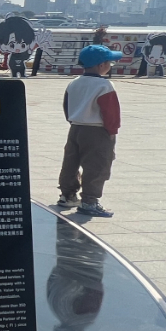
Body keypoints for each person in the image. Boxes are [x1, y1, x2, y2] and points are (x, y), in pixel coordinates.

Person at [57, 45, 123, 218]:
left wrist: (74, 120)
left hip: (76, 128)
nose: (110, 66)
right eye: (110, 63)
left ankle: (67, 195)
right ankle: (89, 201)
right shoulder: (104, 85)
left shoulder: (74, 83)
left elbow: (66, 106)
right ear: (101, 65)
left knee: (70, 163)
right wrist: (112, 131)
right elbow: (111, 112)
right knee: (97, 166)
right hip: (97, 131)